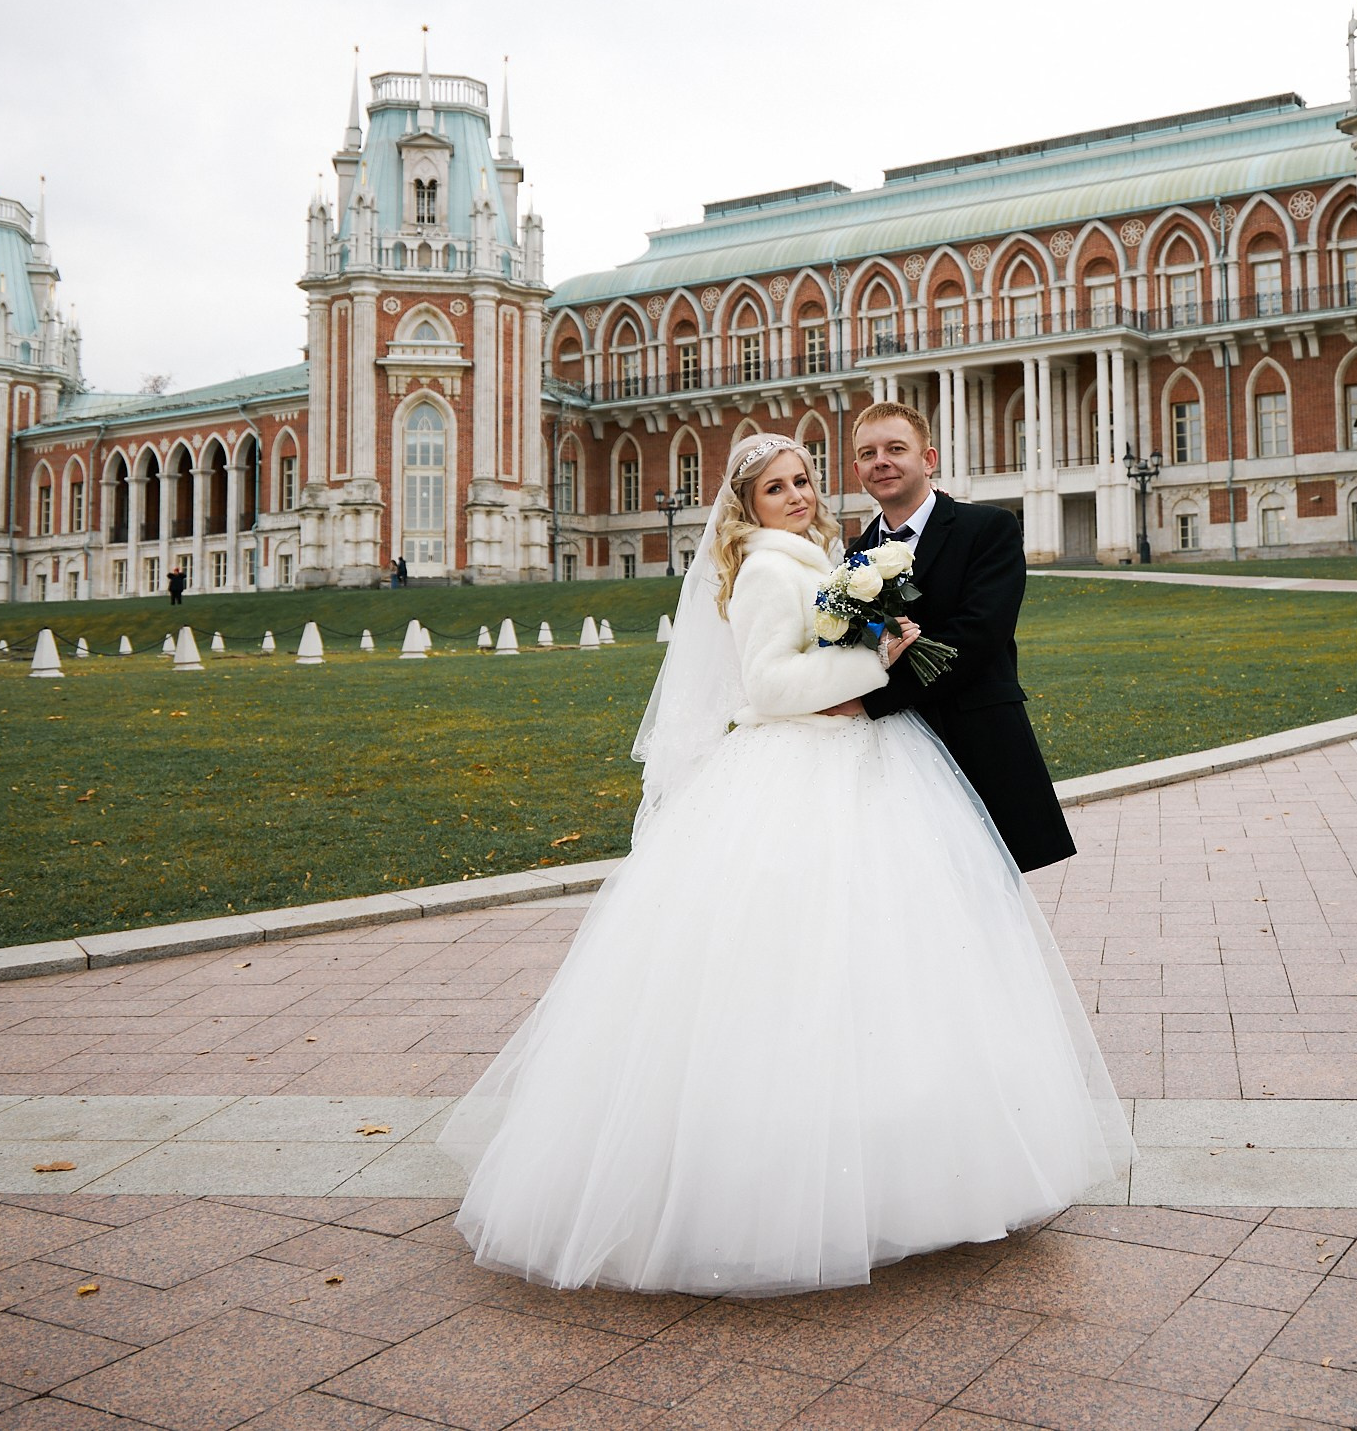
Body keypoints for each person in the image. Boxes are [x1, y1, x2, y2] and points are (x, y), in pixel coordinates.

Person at [440, 432, 1131, 1295]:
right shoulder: (770, 567)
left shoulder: (831, 555)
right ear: (747, 503)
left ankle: (908, 1160)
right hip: (805, 768)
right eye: (777, 487)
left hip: (865, 760)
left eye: (804, 479)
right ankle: (806, 1184)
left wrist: (869, 653)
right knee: (804, 969)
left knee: (893, 966)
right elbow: (766, 686)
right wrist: (873, 660)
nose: (799, 494)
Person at [848, 402, 1076, 871]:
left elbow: (976, 637)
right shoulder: (855, 555)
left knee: (990, 894)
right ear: (857, 470)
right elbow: (861, 638)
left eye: (896, 448)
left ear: (928, 459)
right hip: (896, 754)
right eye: (868, 454)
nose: (881, 462)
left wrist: (869, 702)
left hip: (978, 740)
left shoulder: (988, 528)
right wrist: (876, 642)